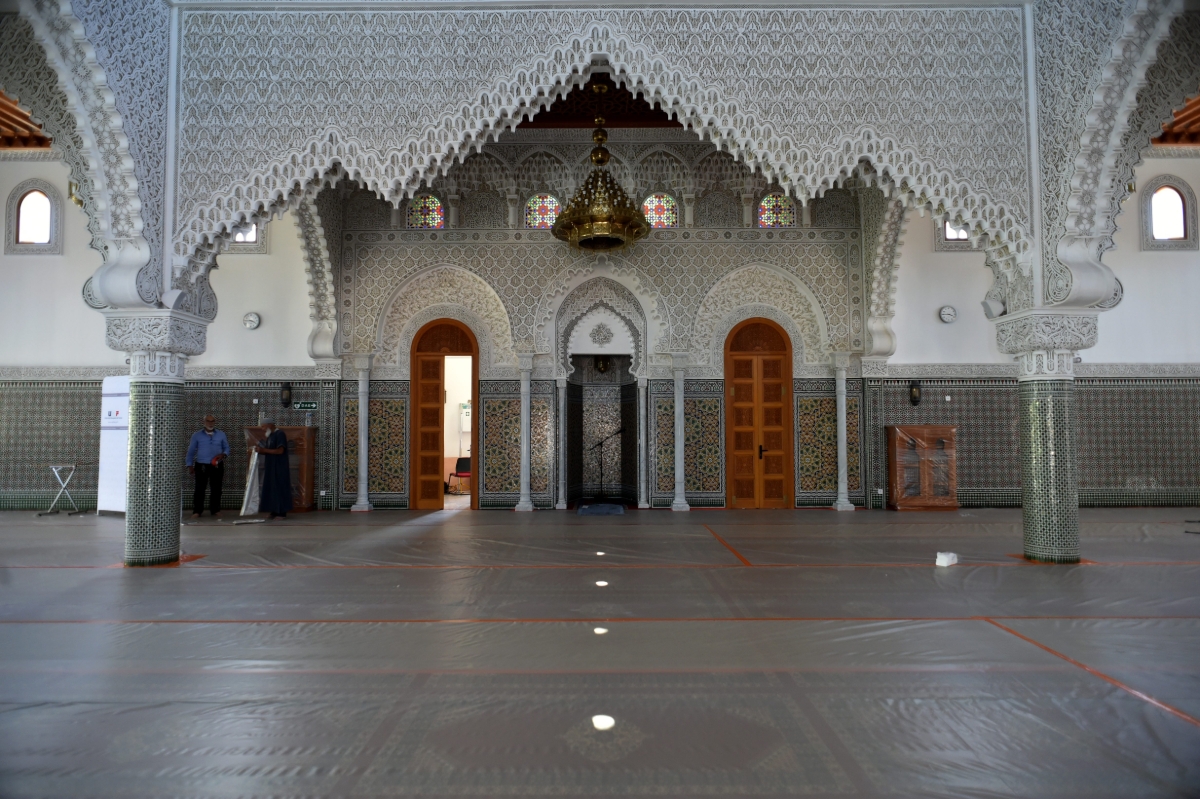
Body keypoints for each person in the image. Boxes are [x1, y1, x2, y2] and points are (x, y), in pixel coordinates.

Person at [186, 415, 230, 518]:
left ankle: (215, 510)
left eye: (212, 421)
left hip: (217, 465)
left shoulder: (221, 434)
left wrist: (223, 455)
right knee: (199, 488)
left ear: (215, 422)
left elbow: (227, 448)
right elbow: (191, 451)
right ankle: (197, 511)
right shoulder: (196, 435)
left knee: (216, 488)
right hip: (201, 465)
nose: (210, 423)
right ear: (204, 422)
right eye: (208, 421)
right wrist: (189, 465)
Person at [255, 418, 292, 520]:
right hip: (271, 467)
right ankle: (274, 511)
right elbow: (269, 451)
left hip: (279, 467)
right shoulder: (270, 436)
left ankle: (282, 513)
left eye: (263, 426)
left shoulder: (280, 434)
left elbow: (280, 451)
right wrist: (259, 450)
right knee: (272, 489)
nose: (262, 429)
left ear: (270, 425)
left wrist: (264, 450)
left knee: (280, 489)